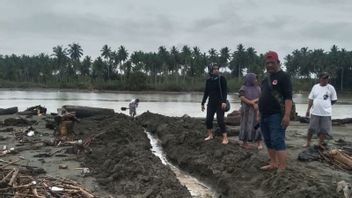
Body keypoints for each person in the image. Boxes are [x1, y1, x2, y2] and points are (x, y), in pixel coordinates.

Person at [258, 51, 293, 171]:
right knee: (268, 140)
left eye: (272, 63)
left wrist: (287, 115)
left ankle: (282, 167)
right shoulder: (265, 79)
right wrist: (259, 112)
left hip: (277, 115)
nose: (269, 65)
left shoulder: (284, 77)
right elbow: (262, 96)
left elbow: (288, 98)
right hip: (264, 115)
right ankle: (273, 163)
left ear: (278, 62)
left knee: (277, 140)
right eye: (267, 63)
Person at [303, 72, 337, 147]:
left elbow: (334, 100)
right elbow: (310, 99)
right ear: (320, 79)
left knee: (324, 130)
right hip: (315, 112)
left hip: (326, 113)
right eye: (323, 78)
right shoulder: (315, 87)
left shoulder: (331, 88)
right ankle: (308, 142)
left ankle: (319, 143)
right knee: (311, 128)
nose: (325, 80)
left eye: (327, 78)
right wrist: (308, 110)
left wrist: (327, 105)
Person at [201, 64, 229, 144]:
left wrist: (223, 101)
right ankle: (210, 135)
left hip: (220, 103)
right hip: (211, 103)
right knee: (208, 120)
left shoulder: (222, 79)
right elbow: (206, 92)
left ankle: (225, 138)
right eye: (214, 69)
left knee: (220, 120)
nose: (216, 70)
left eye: (217, 69)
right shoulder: (208, 80)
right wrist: (202, 103)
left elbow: (225, 91)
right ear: (211, 71)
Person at [239, 73, 263, 150]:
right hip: (246, 110)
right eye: (254, 79)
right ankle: (244, 142)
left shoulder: (258, 88)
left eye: (256, 79)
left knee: (257, 125)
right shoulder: (243, 88)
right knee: (245, 125)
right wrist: (251, 103)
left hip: (256, 109)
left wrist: (254, 102)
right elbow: (242, 98)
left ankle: (259, 142)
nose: (256, 80)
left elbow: (261, 97)